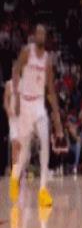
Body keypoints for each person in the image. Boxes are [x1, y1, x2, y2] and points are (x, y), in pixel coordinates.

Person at [9, 24, 64, 206]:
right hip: (25, 102)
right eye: (38, 33)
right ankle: (15, 176)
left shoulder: (47, 59)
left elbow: (51, 90)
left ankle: (43, 190)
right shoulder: (27, 52)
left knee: (45, 141)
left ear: (45, 37)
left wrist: (57, 117)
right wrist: (16, 96)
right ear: (34, 35)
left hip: (39, 104)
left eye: (43, 33)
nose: (41, 35)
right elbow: (16, 70)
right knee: (25, 150)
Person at [3, 79, 20, 169]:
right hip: (13, 119)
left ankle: (21, 172)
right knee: (14, 146)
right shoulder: (9, 84)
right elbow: (5, 101)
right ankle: (15, 174)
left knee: (21, 148)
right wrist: (8, 111)